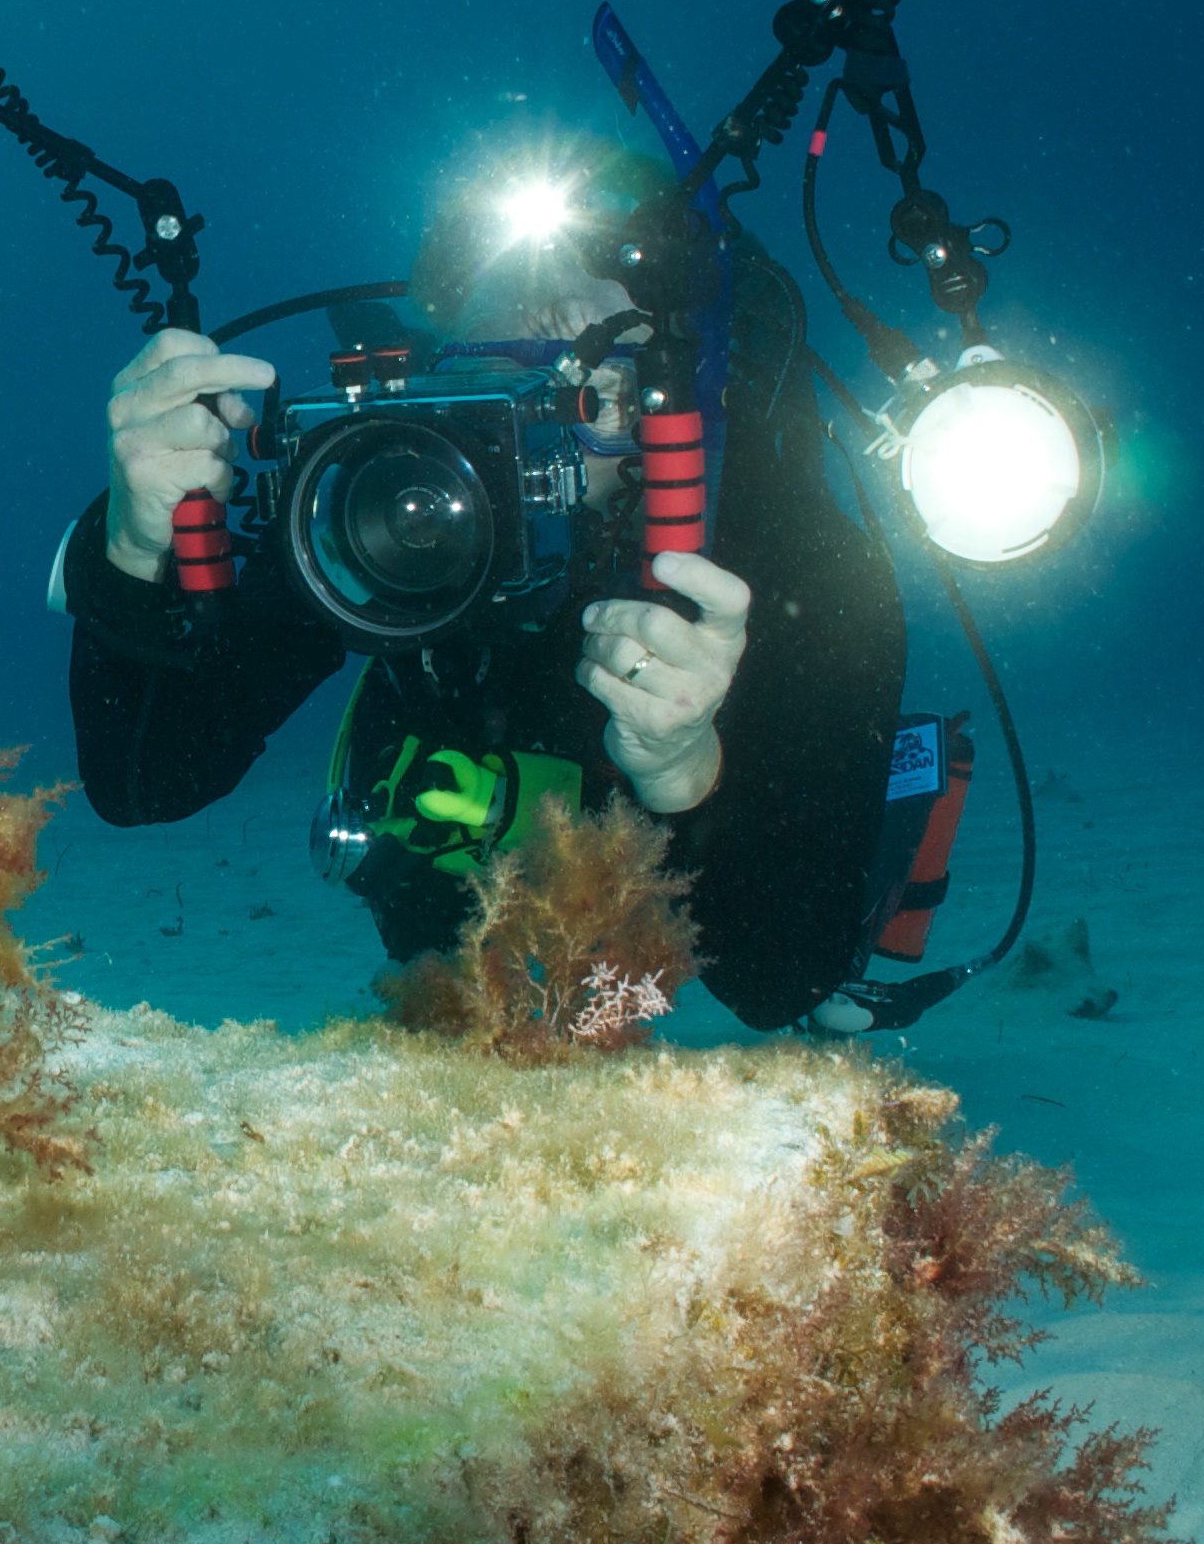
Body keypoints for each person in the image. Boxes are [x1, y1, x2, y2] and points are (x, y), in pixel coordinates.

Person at [52, 142, 910, 1033]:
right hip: (450, 932)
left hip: (703, 908)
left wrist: (689, 770)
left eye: (594, 393)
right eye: (497, 376)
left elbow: (780, 981)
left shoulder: (798, 560)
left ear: (681, 393)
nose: (540, 450)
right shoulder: (391, 500)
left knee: (836, 1001)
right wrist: (131, 548)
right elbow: (144, 780)